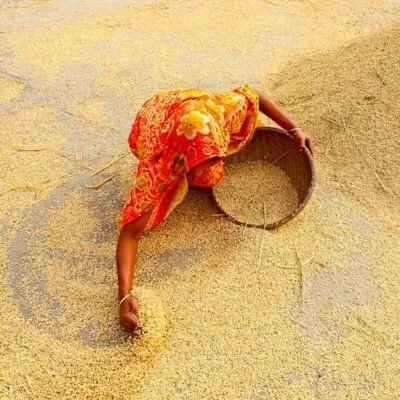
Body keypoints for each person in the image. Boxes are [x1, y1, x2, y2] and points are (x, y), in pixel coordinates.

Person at [116, 84, 314, 333]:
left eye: (216, 156)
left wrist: (294, 129)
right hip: (156, 120)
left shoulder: (218, 113)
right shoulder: (158, 168)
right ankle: (188, 166)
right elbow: (129, 234)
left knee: (209, 176)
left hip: (191, 112)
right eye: (200, 162)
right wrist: (124, 297)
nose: (217, 164)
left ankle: (200, 161)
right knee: (189, 186)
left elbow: (254, 95)